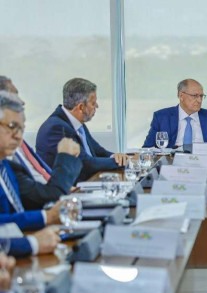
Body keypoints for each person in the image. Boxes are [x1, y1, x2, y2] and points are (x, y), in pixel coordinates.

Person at [0, 77, 82, 209]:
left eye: (21, 128)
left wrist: (62, 185)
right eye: (14, 96)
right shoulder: (57, 126)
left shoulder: (10, 154)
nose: (22, 102)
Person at [0, 93, 61, 256]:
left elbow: (11, 217)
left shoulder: (5, 165)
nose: (18, 136)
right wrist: (32, 242)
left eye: (21, 129)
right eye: (12, 126)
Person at [36, 78, 129, 181]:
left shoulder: (76, 122)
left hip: (89, 182)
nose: (97, 106)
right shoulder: (56, 128)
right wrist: (121, 162)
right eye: (93, 103)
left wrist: (117, 156)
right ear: (81, 107)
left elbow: (98, 151)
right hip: (71, 191)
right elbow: (85, 163)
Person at [142, 79, 207, 148]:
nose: (199, 100)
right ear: (181, 96)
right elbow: (147, 149)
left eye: (201, 96)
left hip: (203, 162)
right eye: (195, 96)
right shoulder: (162, 117)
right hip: (171, 162)